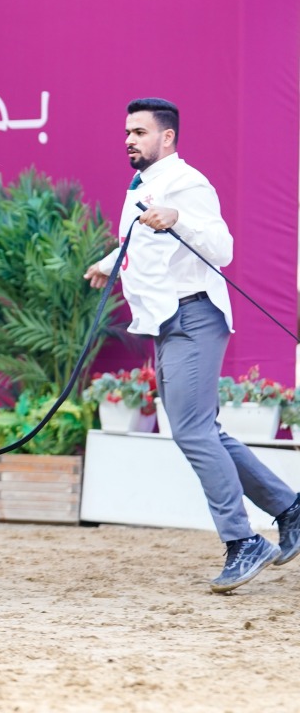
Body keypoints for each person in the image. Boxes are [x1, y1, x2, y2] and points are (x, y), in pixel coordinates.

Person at [84, 97, 300, 593]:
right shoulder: (143, 187)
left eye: (139, 132)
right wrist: (109, 260)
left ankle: (243, 542)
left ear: (168, 138)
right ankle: (290, 509)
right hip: (168, 321)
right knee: (204, 431)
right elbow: (144, 243)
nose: (129, 140)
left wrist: (178, 216)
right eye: (127, 133)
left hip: (193, 316)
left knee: (194, 434)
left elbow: (222, 248)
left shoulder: (187, 184)